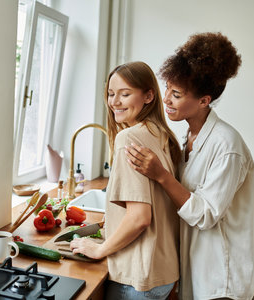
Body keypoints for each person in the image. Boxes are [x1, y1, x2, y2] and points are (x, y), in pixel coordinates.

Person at [125, 32, 254, 300]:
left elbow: (206, 214)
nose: (166, 100)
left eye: (176, 94)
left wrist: (160, 175)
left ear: (204, 101)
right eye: (167, 89)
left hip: (221, 280)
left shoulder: (227, 146)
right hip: (195, 270)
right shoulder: (188, 138)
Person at [70, 61, 181, 299]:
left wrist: (100, 249)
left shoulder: (129, 138)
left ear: (149, 96)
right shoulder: (161, 134)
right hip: (163, 272)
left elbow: (140, 218)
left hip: (135, 277)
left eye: (125, 94)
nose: (114, 102)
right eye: (111, 94)